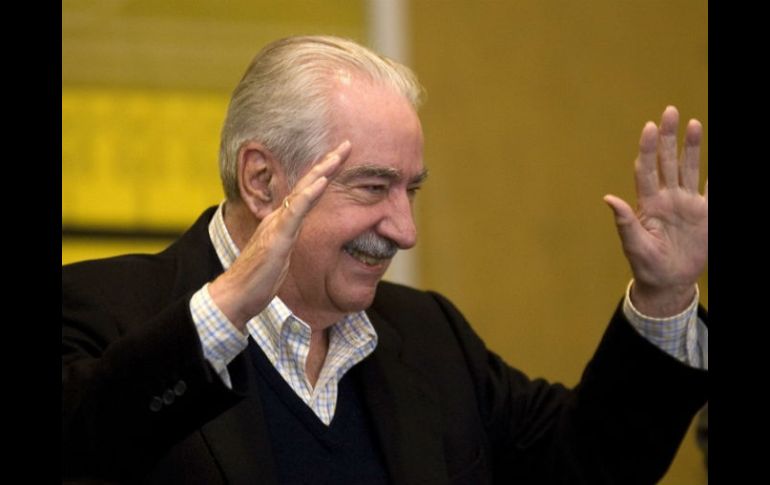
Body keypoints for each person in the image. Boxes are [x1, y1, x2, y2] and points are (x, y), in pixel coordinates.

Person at [62, 35, 708, 484]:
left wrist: (665, 295)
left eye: (411, 190)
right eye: (373, 187)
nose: (405, 230)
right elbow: (83, 442)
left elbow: (584, 465)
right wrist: (225, 312)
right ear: (262, 181)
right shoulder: (101, 309)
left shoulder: (429, 335)